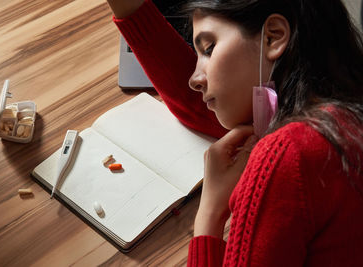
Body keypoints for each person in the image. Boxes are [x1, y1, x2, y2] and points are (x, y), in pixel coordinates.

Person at [106, 0, 363, 266]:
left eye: (209, 48)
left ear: (273, 37)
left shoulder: (285, 157)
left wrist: (209, 215)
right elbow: (198, 105)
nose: (194, 79)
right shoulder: (342, 109)